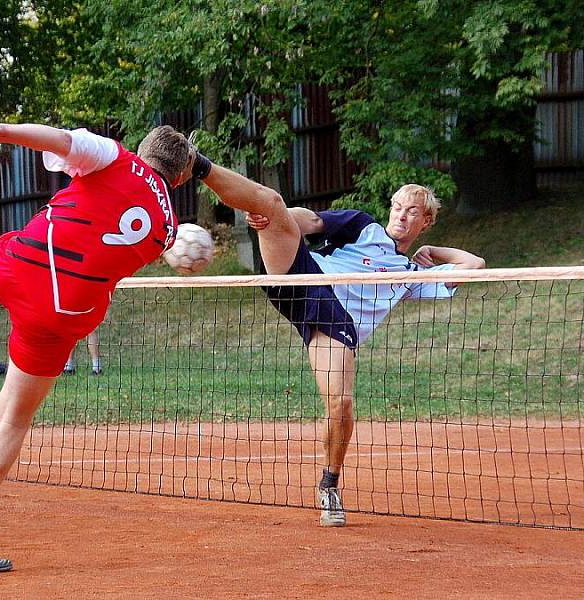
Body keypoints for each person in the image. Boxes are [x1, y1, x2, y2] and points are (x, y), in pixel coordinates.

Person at [0, 115, 200, 574]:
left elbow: (59, 141)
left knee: (6, 413)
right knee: (13, 423)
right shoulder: (168, 228)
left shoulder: (117, 157)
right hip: (64, 316)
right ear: (179, 178)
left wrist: (1, 132)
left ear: (143, 149)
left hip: (15, 270)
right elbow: (139, 234)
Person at [196, 164, 485, 527]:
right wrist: (281, 219)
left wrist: (433, 251)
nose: (401, 215)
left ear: (424, 221)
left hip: (335, 323)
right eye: (397, 206)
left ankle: (329, 485)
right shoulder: (364, 227)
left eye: (412, 211)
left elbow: (475, 265)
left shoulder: (413, 275)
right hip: (308, 275)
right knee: (270, 204)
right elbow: (313, 221)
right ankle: (195, 162)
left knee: (341, 403)